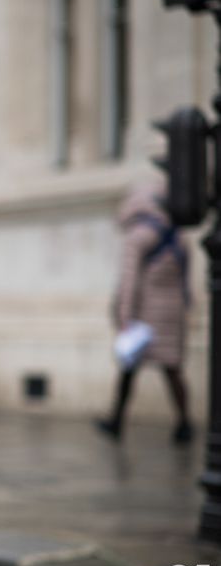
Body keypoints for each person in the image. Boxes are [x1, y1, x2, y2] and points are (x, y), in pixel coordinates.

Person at [95, 179, 192, 444]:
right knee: (172, 368)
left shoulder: (138, 235)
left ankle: (116, 421)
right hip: (172, 315)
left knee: (128, 367)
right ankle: (184, 424)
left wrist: (125, 317)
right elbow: (185, 282)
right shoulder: (178, 235)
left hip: (145, 315)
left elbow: (129, 281)